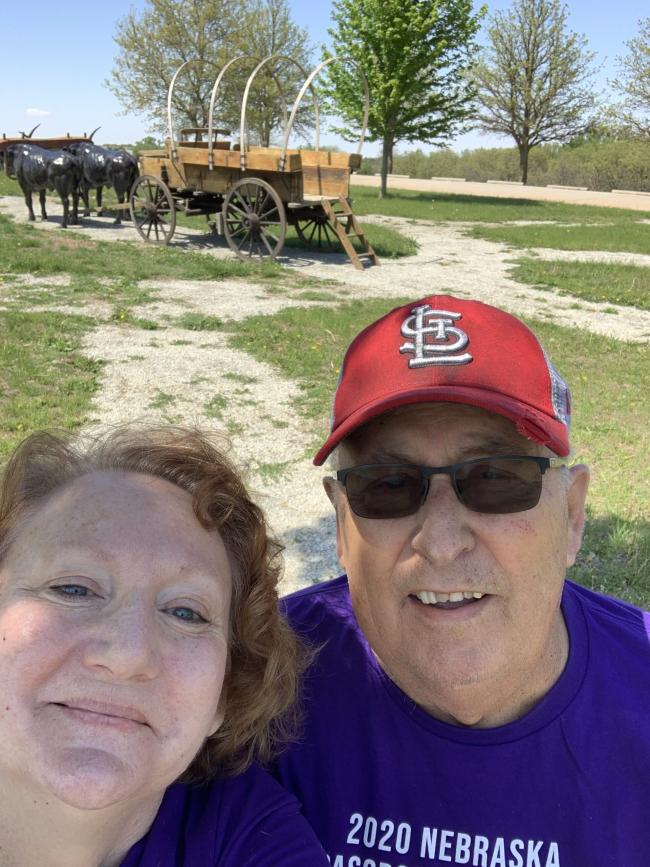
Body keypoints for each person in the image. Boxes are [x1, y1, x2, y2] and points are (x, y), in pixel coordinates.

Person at [275, 295, 650, 867]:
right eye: (389, 484)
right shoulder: (256, 683)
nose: (443, 540)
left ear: (573, 516)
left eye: (497, 478)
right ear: (341, 526)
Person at [0, 425, 328, 867]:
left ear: (223, 696)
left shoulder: (253, 840)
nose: (127, 655)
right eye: (73, 589)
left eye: (186, 613)